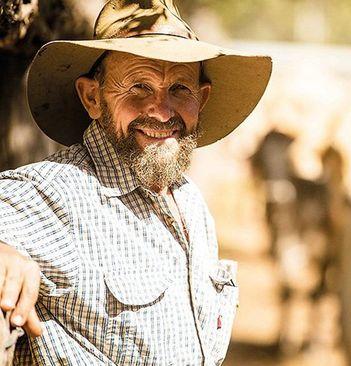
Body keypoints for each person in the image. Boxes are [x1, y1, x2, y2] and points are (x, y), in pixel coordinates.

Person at [0, 0, 271, 364]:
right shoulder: (60, 196)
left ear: (202, 98)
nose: (162, 111)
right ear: (92, 98)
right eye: (138, 87)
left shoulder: (189, 202)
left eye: (179, 89)